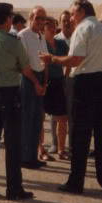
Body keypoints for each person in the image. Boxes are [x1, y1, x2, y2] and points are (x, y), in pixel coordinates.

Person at [40, 0, 102, 194]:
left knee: (79, 136)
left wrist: (53, 59)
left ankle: (76, 182)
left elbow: (75, 59)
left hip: (85, 85)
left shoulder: (83, 29)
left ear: (82, 12)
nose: (72, 18)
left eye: (73, 13)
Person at [0, 2, 41, 200]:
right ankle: (14, 188)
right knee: (13, 143)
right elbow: (25, 68)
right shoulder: (14, 42)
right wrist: (36, 83)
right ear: (7, 19)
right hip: (9, 93)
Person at [18, 6, 49, 168]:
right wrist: (36, 83)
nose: (41, 22)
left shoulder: (40, 36)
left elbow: (45, 61)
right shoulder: (23, 36)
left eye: (43, 19)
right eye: (38, 18)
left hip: (39, 79)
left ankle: (33, 156)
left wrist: (44, 82)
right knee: (27, 119)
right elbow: (23, 64)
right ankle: (24, 158)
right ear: (31, 18)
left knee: (38, 119)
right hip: (28, 79)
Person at [49, 10, 76, 154]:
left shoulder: (78, 37)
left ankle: (71, 145)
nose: (66, 22)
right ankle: (55, 143)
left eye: (68, 19)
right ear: (60, 22)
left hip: (74, 79)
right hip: (59, 80)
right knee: (56, 114)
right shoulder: (55, 39)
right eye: (63, 20)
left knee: (71, 113)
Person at [43, 17, 70, 160]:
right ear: (44, 29)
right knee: (40, 118)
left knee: (62, 118)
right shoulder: (41, 43)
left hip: (58, 82)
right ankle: (40, 149)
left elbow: (69, 59)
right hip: (45, 82)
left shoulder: (60, 43)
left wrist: (66, 75)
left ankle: (61, 149)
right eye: (49, 27)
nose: (53, 30)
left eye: (54, 27)